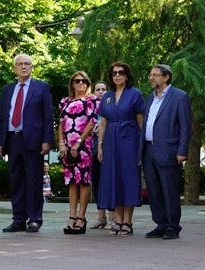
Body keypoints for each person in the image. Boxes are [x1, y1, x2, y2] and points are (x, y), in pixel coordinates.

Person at [0, 53, 54, 233]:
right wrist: (0, 142)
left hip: (33, 141)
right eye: (20, 64)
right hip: (12, 139)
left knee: (34, 181)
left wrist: (47, 140)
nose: (23, 67)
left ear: (32, 67)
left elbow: (48, 116)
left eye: (27, 64)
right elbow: (2, 117)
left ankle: (35, 219)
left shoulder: (41, 87)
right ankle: (18, 219)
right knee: (16, 181)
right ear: (14, 68)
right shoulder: (7, 89)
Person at [141, 64, 193, 240]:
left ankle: (172, 226)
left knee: (169, 190)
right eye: (150, 74)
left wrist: (182, 151)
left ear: (166, 77)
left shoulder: (179, 97)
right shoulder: (150, 98)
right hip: (149, 149)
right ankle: (160, 223)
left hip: (169, 150)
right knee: (153, 190)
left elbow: (185, 127)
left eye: (155, 75)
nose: (151, 78)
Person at [96, 61, 145, 236]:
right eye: (114, 73)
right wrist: (100, 146)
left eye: (121, 72)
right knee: (112, 179)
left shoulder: (135, 94)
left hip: (130, 139)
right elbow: (102, 122)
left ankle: (127, 222)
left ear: (127, 75)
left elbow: (140, 120)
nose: (117, 75)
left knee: (128, 178)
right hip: (110, 141)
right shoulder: (107, 96)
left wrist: (142, 145)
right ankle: (117, 219)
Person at [57, 71, 101, 235]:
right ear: (72, 84)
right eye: (77, 81)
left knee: (83, 181)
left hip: (84, 145)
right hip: (67, 146)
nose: (81, 83)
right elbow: (60, 124)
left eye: (84, 81)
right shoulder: (65, 101)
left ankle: (81, 218)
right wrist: (62, 144)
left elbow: (91, 123)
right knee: (71, 181)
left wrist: (78, 143)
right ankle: (72, 216)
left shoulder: (92, 100)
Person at [88, 81, 111, 230]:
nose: (101, 92)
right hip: (93, 150)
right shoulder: (90, 108)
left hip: (108, 150)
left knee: (108, 183)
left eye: (103, 89)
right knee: (96, 184)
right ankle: (100, 217)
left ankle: (112, 218)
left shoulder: (111, 106)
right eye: (98, 90)